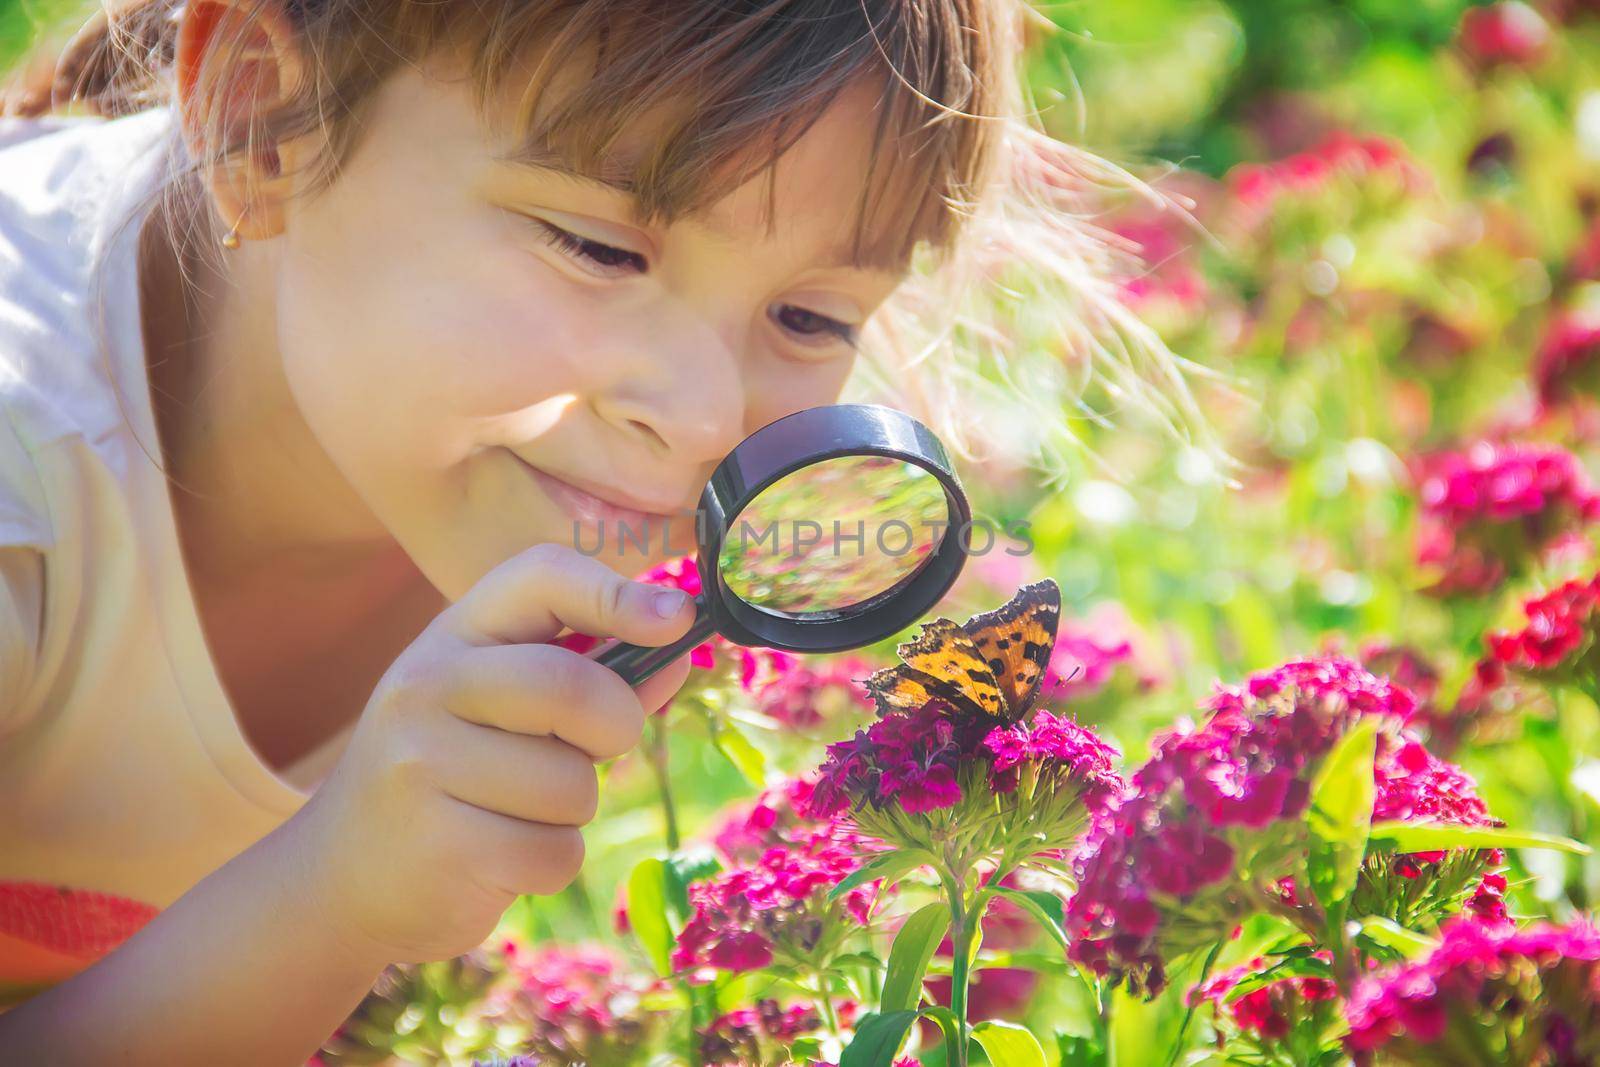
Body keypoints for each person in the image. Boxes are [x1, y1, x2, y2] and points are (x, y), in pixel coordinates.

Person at [0, 0, 1203, 1061]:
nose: (696, 420)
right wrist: (328, 896)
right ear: (264, 115)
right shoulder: (25, 479)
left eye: (806, 313)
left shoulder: (478, 469)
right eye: (595, 246)